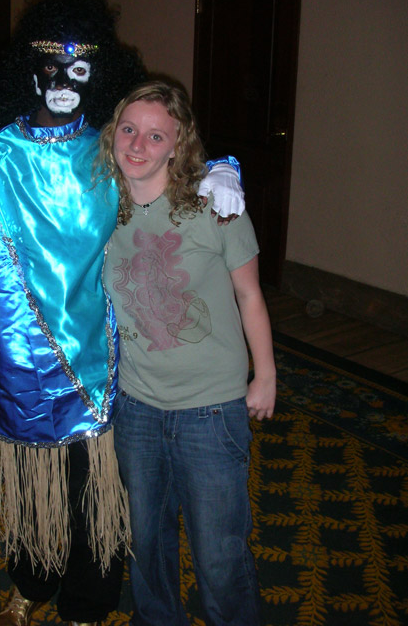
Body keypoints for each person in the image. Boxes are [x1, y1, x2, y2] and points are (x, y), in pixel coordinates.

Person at [0, 0, 246, 626]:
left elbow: (166, 169)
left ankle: (88, 604)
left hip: (96, 361)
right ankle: (30, 586)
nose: (64, 82)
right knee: (31, 493)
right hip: (16, 363)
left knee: (95, 496)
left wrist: (220, 170)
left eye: (80, 69)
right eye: (52, 68)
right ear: (30, 72)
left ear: (98, 76)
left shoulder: (105, 153)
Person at [98, 80, 276, 626]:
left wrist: (265, 375)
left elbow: (250, 296)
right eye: (129, 129)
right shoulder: (99, 209)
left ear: (177, 146)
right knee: (146, 545)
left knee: (220, 554)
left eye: (156, 136)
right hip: (136, 405)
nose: (138, 145)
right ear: (113, 133)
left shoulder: (217, 207)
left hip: (210, 408)